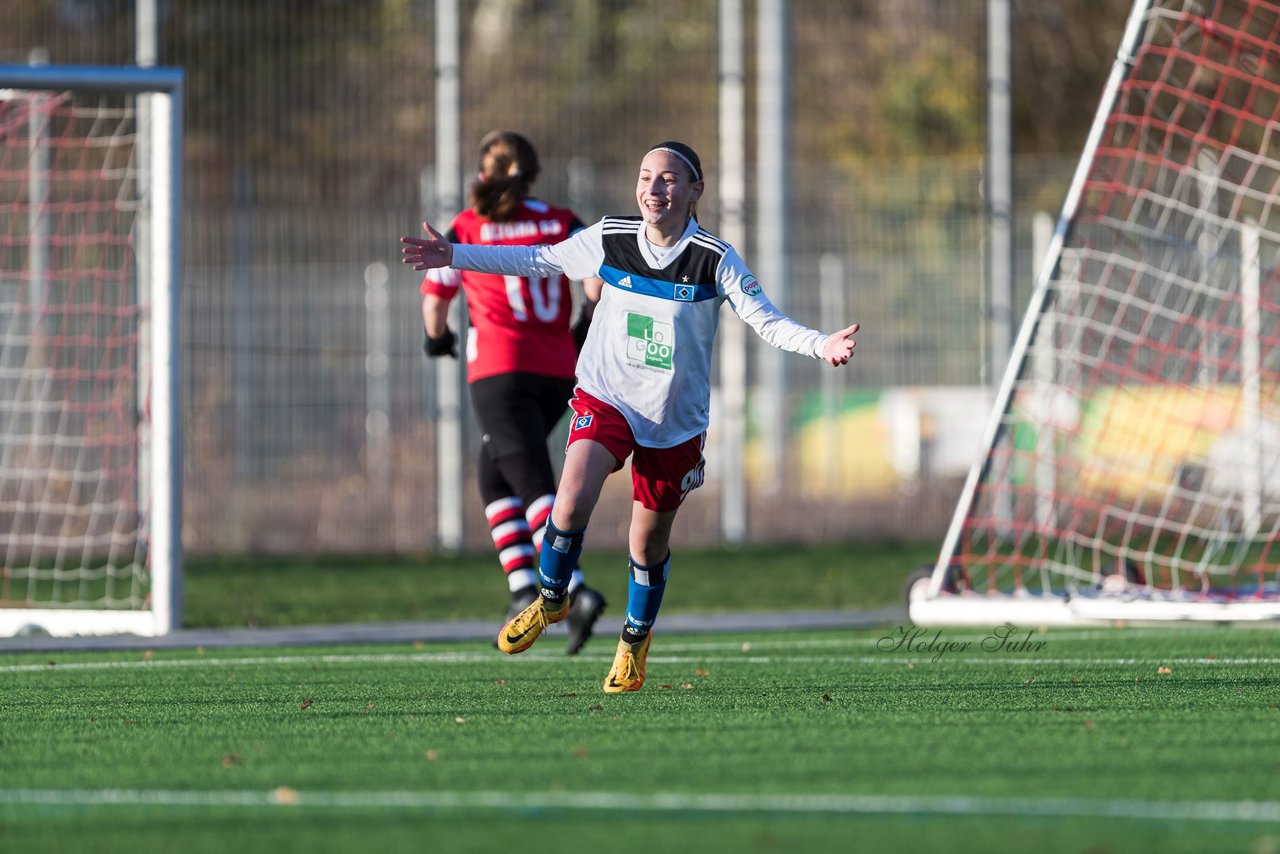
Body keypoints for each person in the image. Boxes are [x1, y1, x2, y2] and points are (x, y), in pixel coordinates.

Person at [403, 140, 859, 692]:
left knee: (646, 544)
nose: (653, 189)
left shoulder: (714, 258)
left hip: (673, 418)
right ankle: (551, 601)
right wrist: (456, 255)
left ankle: (633, 640)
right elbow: (537, 260)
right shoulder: (610, 238)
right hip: (607, 395)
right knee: (568, 500)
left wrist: (820, 344)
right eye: (646, 177)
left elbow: (768, 321)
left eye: (668, 179)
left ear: (695, 191)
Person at [419, 130, 607, 655]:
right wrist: (583, 322)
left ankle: (575, 588)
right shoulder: (561, 219)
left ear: (483, 175)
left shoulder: (468, 225)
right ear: (533, 173)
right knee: (493, 468)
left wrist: (438, 340)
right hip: (557, 367)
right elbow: (596, 278)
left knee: (530, 481)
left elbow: (436, 299)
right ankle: (523, 589)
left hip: (499, 369)